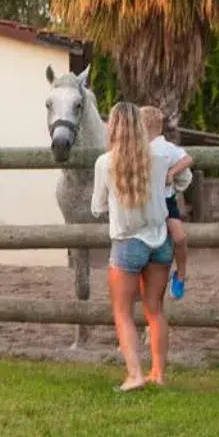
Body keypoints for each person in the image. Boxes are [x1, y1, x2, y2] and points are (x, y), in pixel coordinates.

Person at [91, 102, 193, 391]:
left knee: (123, 312)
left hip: (127, 242)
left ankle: (134, 375)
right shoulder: (161, 157)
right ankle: (158, 374)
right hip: (160, 240)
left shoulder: (105, 162)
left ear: (113, 127)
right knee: (154, 309)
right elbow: (184, 177)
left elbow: (97, 207)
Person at [138, 104, 191, 298]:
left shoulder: (166, 148)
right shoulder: (135, 148)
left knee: (180, 237)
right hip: (144, 203)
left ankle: (181, 275)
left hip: (167, 201)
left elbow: (187, 159)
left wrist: (172, 172)